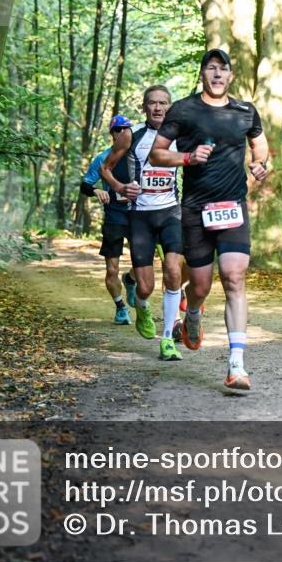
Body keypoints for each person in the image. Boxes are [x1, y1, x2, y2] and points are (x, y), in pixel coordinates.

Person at [149, 48, 269, 390]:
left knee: (234, 277)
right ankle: (194, 311)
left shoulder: (245, 111)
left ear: (231, 76)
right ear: (202, 74)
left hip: (232, 207)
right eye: (211, 68)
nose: (218, 74)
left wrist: (260, 164)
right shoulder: (183, 110)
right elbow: (158, 153)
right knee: (200, 285)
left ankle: (237, 365)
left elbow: (260, 147)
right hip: (195, 210)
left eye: (224, 69)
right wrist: (187, 157)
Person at [99, 86, 185, 362]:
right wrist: (120, 187)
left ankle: (168, 339)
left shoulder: (180, 135)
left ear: (170, 107)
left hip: (171, 212)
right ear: (144, 107)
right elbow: (105, 168)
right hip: (140, 217)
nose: (158, 108)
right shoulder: (130, 135)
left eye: (163, 103)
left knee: (173, 272)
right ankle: (143, 307)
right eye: (152, 103)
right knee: (145, 287)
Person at [79, 148, 137, 325]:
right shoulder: (103, 158)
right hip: (114, 217)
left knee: (143, 266)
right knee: (112, 270)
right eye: (117, 129)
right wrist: (96, 190)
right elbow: (85, 185)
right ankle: (120, 307)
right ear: (112, 133)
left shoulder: (141, 154)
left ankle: (130, 280)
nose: (121, 132)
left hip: (139, 216)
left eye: (125, 129)